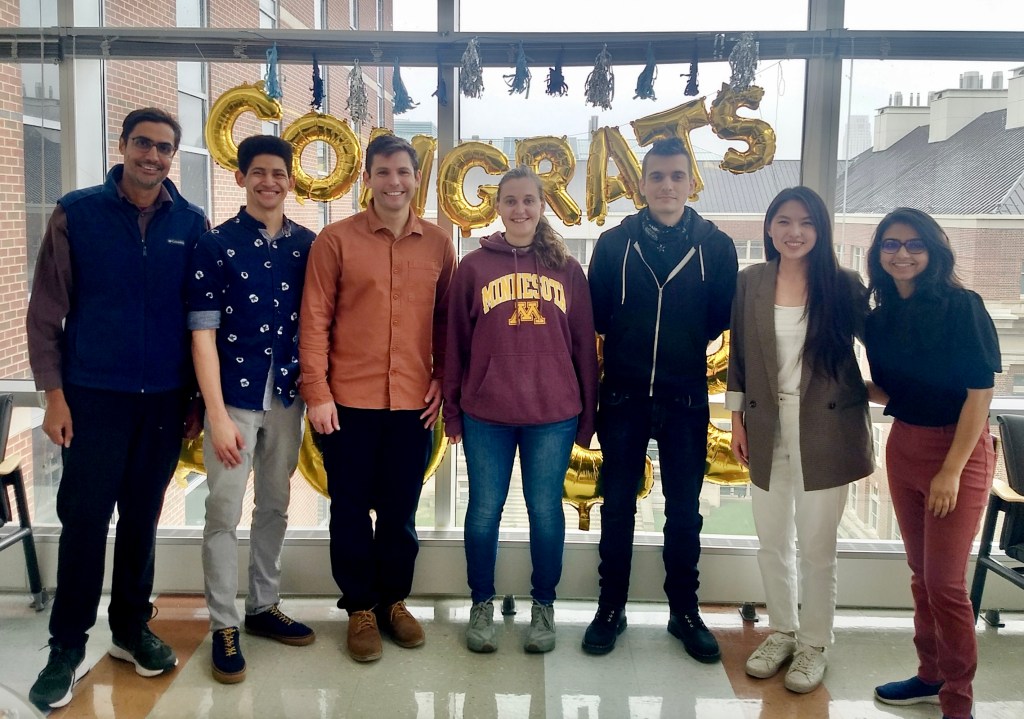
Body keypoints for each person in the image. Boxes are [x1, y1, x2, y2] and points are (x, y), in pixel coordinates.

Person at [25, 108, 208, 710]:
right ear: (123, 145)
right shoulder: (77, 213)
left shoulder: (190, 222)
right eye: (142, 144)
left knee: (141, 521)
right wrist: (53, 394)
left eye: (163, 148)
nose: (152, 156)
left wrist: (194, 401)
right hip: (92, 399)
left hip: (162, 401)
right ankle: (66, 647)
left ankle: (131, 627)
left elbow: (197, 318)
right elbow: (45, 311)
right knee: (84, 523)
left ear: (172, 156)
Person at [299, 134, 456, 663]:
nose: (394, 182)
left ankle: (394, 602)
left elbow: (444, 322)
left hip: (413, 402)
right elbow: (315, 319)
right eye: (383, 172)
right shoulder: (335, 240)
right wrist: (316, 391)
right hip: (347, 404)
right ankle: (360, 608)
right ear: (367, 179)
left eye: (403, 173)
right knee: (348, 511)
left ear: (416, 179)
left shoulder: (438, 243)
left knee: (399, 513)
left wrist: (442, 378)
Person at [584, 136, 738, 661]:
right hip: (623, 396)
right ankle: (611, 608)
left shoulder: (716, 246)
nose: (667, 186)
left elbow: (720, 317)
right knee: (618, 508)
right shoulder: (612, 244)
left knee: (684, 513)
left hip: (685, 400)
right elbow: (598, 316)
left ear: (690, 181)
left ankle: (684, 612)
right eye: (657, 177)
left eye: (677, 176)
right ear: (641, 184)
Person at [442, 167, 600, 654]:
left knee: (544, 512)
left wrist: (588, 417)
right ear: (497, 207)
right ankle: (481, 604)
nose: (520, 210)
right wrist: (452, 411)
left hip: (553, 414)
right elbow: (454, 346)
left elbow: (584, 348)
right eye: (510, 201)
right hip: (486, 412)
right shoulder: (472, 268)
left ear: (542, 205)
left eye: (529, 200)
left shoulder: (568, 268)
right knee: (484, 510)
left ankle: (544, 606)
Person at [725, 186, 873, 693]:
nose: (794, 232)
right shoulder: (751, 282)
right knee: (771, 542)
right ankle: (782, 631)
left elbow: (880, 347)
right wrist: (736, 419)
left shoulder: (845, 285)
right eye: (784, 221)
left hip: (827, 429)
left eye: (806, 223)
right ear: (768, 228)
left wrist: (890, 390)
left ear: (821, 230)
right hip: (766, 426)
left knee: (817, 546)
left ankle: (814, 644)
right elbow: (739, 357)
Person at [187, 135, 317, 684]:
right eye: (258, 173)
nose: (269, 182)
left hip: (287, 400)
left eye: (278, 173)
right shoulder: (215, 245)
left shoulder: (308, 246)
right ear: (240, 178)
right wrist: (216, 414)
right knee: (223, 512)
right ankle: (224, 623)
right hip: (233, 402)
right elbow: (202, 335)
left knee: (276, 507)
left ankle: (263, 607)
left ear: (291, 181)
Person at [864, 208, 999, 719]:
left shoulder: (962, 306)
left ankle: (958, 704)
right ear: (879, 254)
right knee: (922, 575)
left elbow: (979, 393)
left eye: (914, 244)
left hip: (957, 451)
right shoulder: (878, 319)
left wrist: (951, 470)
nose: (902, 253)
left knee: (945, 584)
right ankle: (930, 675)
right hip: (904, 447)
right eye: (891, 244)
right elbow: (892, 391)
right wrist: (842, 386)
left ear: (933, 251)